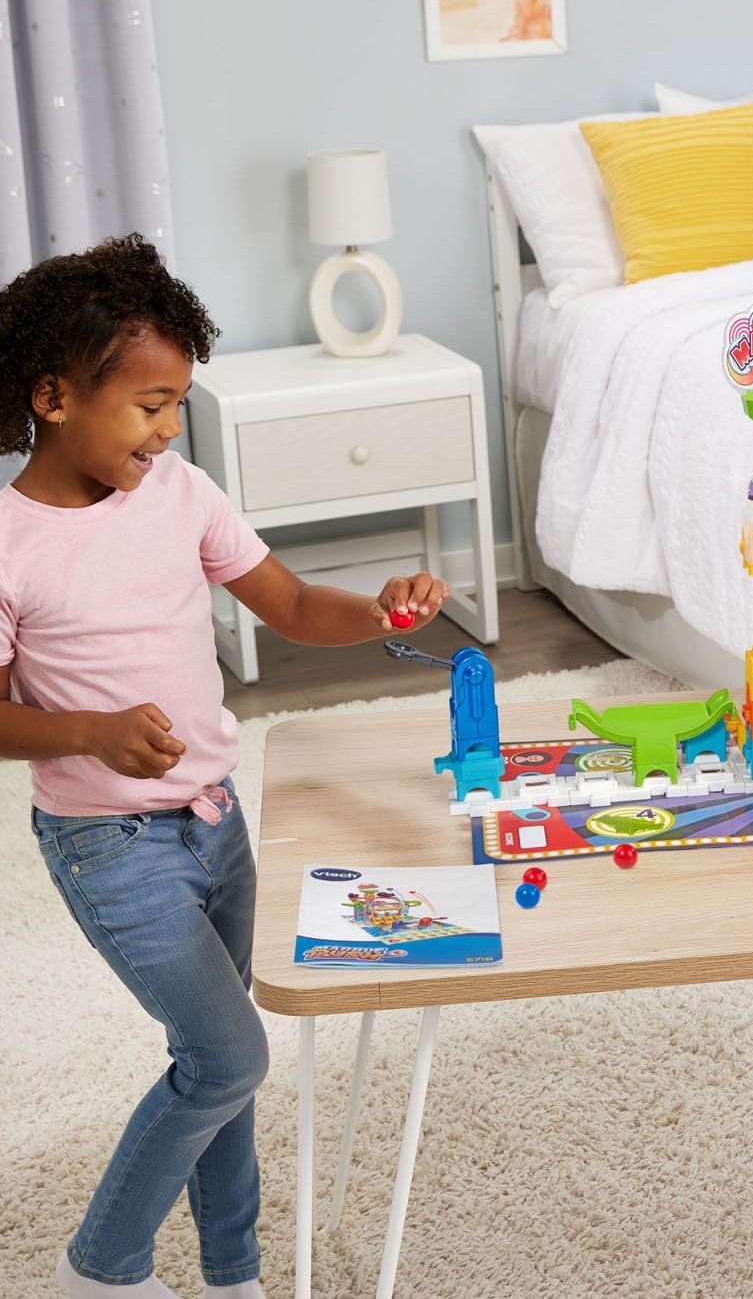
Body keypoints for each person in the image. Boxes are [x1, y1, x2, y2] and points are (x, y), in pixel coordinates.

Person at [0, 235, 453, 1299]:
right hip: (107, 844)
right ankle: (99, 1271)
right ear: (56, 395)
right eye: (148, 405)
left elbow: (291, 603)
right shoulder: (10, 542)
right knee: (230, 1057)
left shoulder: (181, 492)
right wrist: (90, 732)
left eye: (176, 406)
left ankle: (231, 1272)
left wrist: (380, 607)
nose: (167, 429)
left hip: (216, 822)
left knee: (222, 1062)